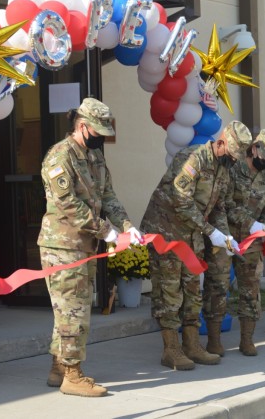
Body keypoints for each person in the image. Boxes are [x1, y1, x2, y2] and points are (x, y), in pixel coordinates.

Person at [38, 98, 143, 397]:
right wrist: (107, 231)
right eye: (97, 131)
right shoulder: (60, 156)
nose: (101, 137)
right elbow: (68, 204)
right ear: (82, 127)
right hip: (63, 246)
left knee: (71, 310)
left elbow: (108, 195)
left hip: (85, 245)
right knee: (73, 311)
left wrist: (126, 225)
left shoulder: (94, 158)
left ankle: (59, 368)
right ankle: (72, 375)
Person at [140, 121, 252, 370]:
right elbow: (181, 200)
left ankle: (191, 344)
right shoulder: (192, 158)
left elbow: (219, 206)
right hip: (166, 233)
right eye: (232, 154)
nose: (234, 160)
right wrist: (211, 232)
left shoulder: (224, 168)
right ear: (221, 143)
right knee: (169, 291)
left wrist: (224, 236)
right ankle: (171, 349)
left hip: (193, 235)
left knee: (192, 290)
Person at [203, 129, 265, 357]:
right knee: (217, 288)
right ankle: (214, 340)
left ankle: (247, 339)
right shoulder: (232, 170)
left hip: (251, 243)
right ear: (254, 148)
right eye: (264, 157)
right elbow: (223, 205)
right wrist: (251, 223)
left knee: (251, 290)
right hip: (224, 237)